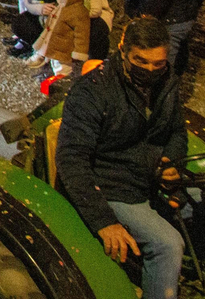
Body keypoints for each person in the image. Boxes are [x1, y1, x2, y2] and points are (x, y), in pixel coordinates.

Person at [56, 17, 188, 299]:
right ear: (122, 51)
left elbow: (177, 132)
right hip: (112, 186)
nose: (151, 70)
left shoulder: (167, 82)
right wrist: (104, 221)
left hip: (149, 179)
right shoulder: (93, 91)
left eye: (158, 64)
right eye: (141, 61)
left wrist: (172, 162)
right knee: (168, 244)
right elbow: (71, 159)